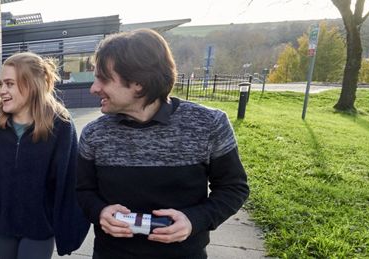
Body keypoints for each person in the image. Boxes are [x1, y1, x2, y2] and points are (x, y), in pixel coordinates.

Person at [75, 29, 250, 258]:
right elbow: (83, 190)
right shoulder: (93, 134)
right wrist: (100, 211)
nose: (94, 88)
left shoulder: (209, 124)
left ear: (138, 82)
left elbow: (234, 188)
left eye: (103, 79)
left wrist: (194, 220)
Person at [0, 52, 87, 258]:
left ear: (33, 85)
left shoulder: (61, 125)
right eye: (0, 83)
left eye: (10, 84)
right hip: (0, 223)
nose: (2, 90)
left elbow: (69, 182)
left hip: (39, 227)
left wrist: (70, 232)